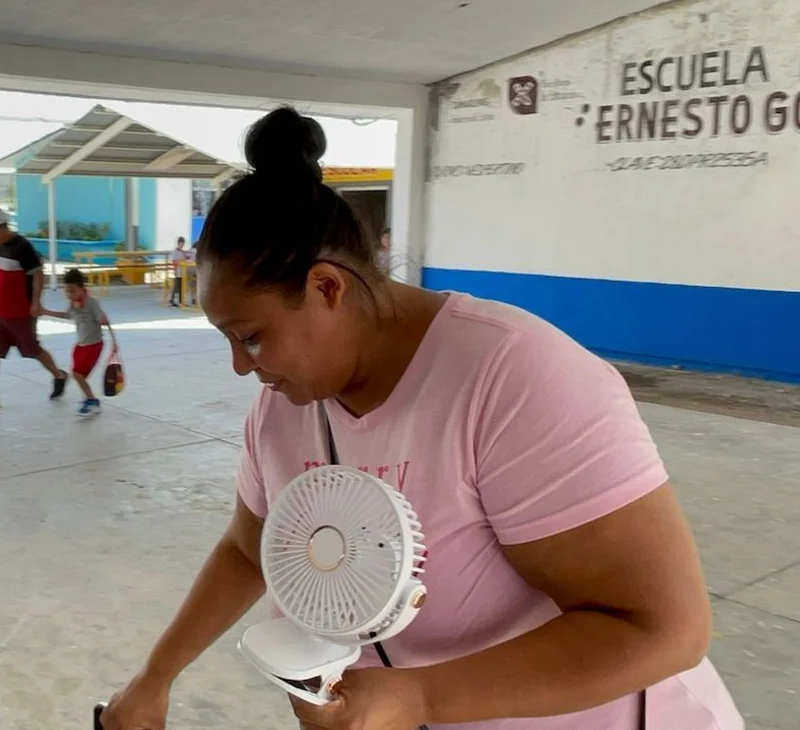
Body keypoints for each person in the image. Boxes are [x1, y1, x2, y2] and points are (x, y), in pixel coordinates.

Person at [99, 107, 741, 730]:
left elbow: (662, 628)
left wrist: (419, 699)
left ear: (326, 288)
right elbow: (249, 550)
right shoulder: (284, 410)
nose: (241, 367)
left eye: (253, 337)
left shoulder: (511, 376)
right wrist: (155, 678)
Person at [0, 206, 68, 409]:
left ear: (4, 226)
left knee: (32, 349)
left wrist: (36, 302)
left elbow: (38, 274)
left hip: (21, 312)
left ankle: (59, 375)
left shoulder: (23, 247)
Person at [40, 268, 118, 417]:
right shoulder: (72, 303)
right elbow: (67, 315)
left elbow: (104, 319)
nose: (70, 294)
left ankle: (92, 401)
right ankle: (89, 399)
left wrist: (113, 341)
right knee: (78, 374)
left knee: (77, 374)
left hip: (93, 345)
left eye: (73, 291)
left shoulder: (92, 303)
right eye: (67, 291)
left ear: (82, 289)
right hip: (80, 345)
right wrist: (46, 312)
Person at [168, 236, 189, 307]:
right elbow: (174, 261)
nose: (182, 245)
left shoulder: (183, 252)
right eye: (181, 243)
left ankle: (180, 300)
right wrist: (179, 263)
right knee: (176, 285)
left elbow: (186, 259)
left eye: (183, 243)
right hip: (178, 270)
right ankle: (172, 299)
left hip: (182, 271)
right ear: (178, 243)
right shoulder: (175, 251)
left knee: (181, 286)